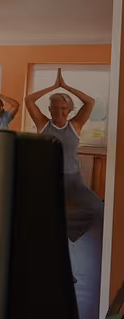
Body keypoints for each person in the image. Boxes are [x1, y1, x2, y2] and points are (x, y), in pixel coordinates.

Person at [25, 70, 104, 244]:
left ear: (68, 110)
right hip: (48, 178)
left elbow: (89, 101)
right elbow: (29, 100)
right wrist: (53, 87)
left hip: (73, 179)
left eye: (63, 108)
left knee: (98, 208)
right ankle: (43, 235)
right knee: (32, 209)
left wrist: (66, 86)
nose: (58, 111)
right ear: (49, 109)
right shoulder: (43, 124)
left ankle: (67, 231)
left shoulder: (75, 125)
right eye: (54, 107)